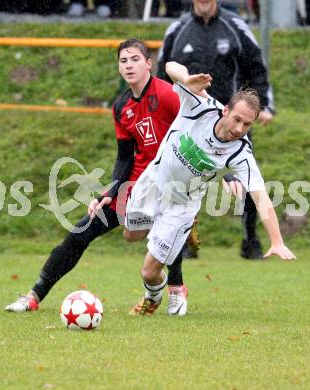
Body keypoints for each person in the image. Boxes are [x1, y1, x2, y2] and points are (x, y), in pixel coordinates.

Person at [5, 39, 189, 316]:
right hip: (135, 185)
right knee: (81, 231)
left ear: (149, 64)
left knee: (167, 231)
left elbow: (195, 131)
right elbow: (125, 156)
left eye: (135, 59)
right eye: (123, 60)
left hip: (172, 183)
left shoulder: (167, 95)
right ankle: (34, 295)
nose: (128, 65)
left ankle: (175, 287)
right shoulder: (121, 106)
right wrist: (110, 193)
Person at [124, 61, 296, 315]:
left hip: (181, 205)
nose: (239, 129)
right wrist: (187, 79)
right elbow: (170, 65)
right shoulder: (200, 106)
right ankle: (178, 233)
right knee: (131, 236)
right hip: (153, 182)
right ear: (225, 110)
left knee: (148, 272)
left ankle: (153, 296)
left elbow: (260, 197)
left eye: (247, 125)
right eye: (237, 119)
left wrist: (277, 240)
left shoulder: (240, 152)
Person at [157, 0, 275, 260]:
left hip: (232, 119)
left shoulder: (235, 26)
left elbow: (256, 66)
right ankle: (185, 239)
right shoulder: (177, 29)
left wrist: (263, 104)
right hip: (191, 122)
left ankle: (250, 239)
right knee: (184, 181)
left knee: (245, 178)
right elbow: (162, 75)